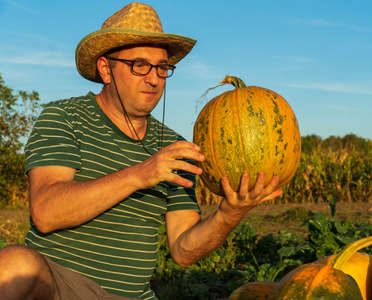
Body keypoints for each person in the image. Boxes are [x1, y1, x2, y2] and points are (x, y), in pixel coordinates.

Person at [0, 2, 282, 300]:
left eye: (161, 67)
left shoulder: (175, 149)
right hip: (56, 286)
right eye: (140, 65)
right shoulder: (65, 117)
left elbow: (184, 250)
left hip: (130, 296)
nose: (154, 78)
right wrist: (141, 173)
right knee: (13, 264)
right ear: (106, 69)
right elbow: (46, 212)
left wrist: (229, 213)